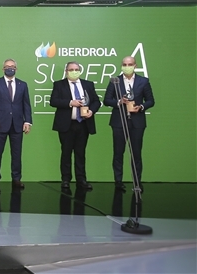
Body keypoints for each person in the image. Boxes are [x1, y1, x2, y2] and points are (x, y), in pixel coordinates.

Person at [103, 56, 154, 191]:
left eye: (130, 64)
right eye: (124, 64)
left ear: (135, 66)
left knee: (136, 153)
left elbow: (150, 101)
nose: (127, 66)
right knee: (118, 152)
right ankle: (118, 182)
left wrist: (141, 107)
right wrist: (119, 102)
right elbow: (106, 100)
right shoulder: (115, 81)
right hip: (118, 122)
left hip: (137, 122)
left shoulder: (143, 81)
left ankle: (137, 182)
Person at [49, 61, 101, 190]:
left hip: (83, 124)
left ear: (80, 70)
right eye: (71, 69)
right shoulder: (59, 85)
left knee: (80, 153)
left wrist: (91, 111)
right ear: (66, 71)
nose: (74, 71)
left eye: (76, 69)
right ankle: (66, 180)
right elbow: (53, 101)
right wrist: (70, 102)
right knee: (66, 153)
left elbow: (96, 101)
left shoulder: (88, 84)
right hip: (66, 124)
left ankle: (81, 179)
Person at [0, 59, 32, 190]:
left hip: (17, 125)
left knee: (17, 154)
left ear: (16, 69)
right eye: (7, 67)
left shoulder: (22, 85)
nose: (10, 68)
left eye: (12, 67)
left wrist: (27, 121)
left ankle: (16, 179)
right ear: (3, 69)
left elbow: (26, 105)